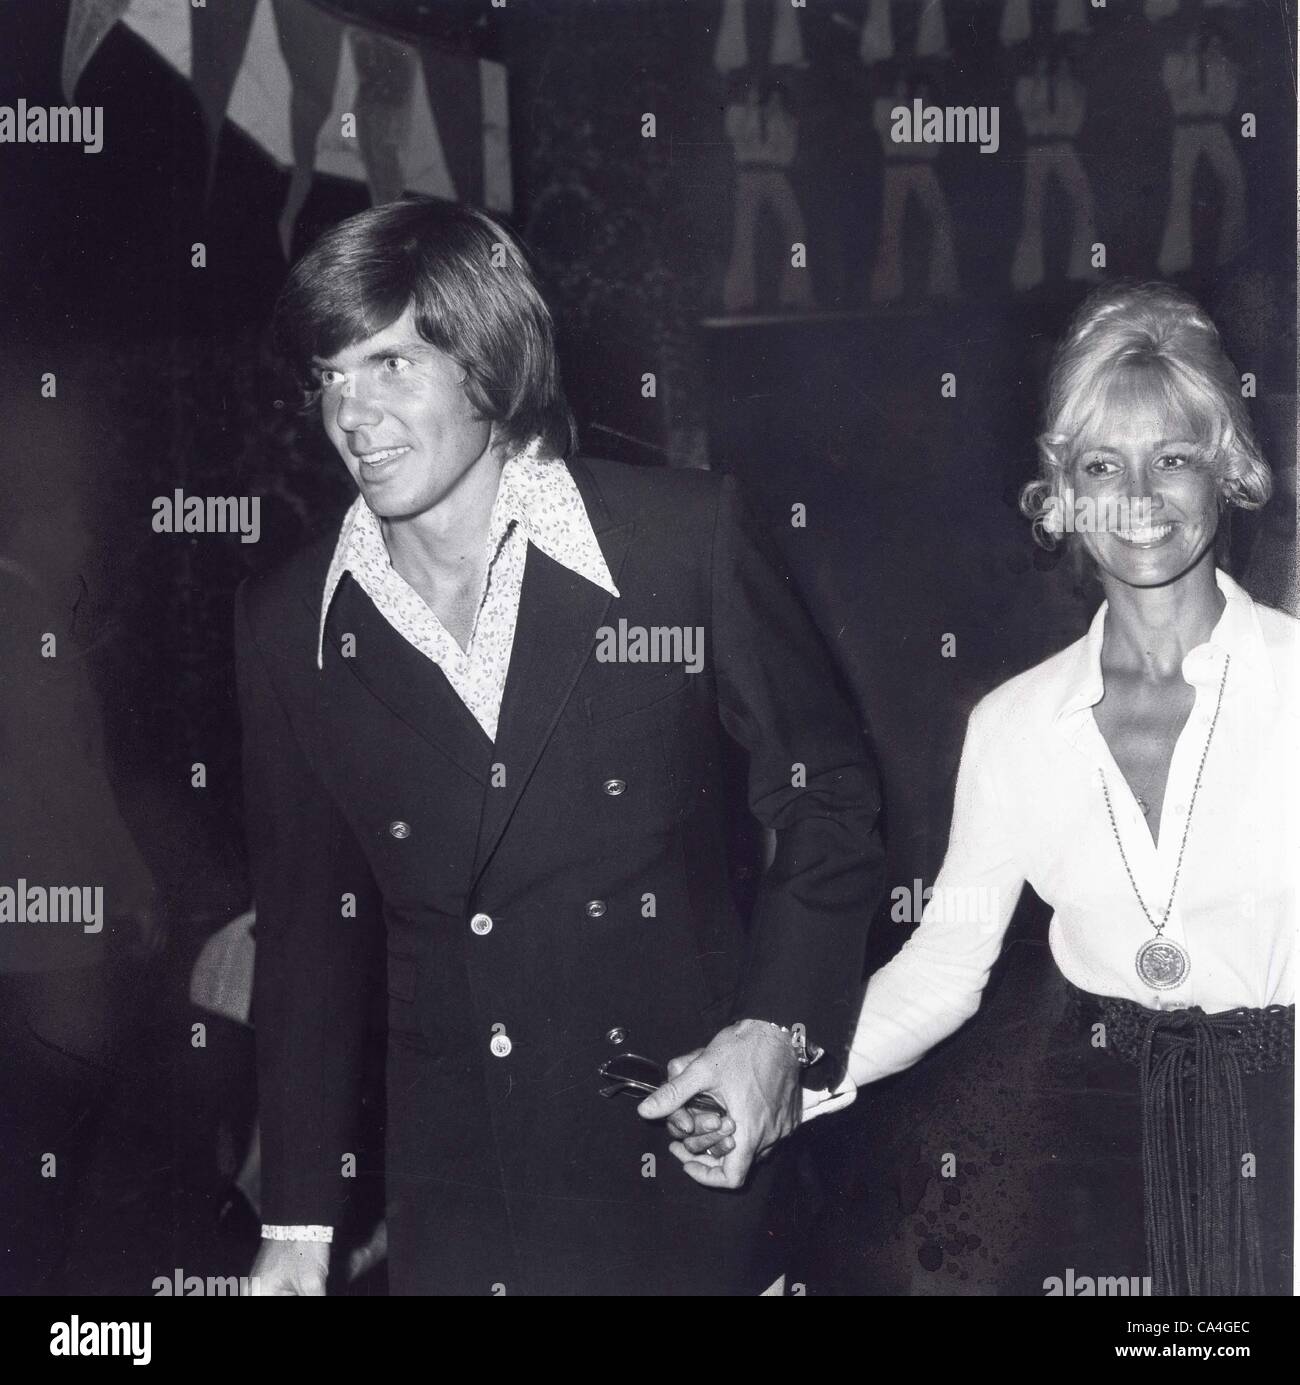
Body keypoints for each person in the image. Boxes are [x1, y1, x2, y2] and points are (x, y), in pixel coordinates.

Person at [237, 196, 884, 1295]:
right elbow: (308, 932)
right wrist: (299, 1220)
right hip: (459, 1212)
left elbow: (826, 795)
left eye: (391, 364)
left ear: (486, 364)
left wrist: (778, 1027)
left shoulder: (678, 539)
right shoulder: (287, 618)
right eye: (330, 373)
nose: (351, 411)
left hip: (686, 1164)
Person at [681, 282, 1295, 1295]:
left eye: (1172, 457)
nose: (1137, 495)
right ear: (1061, 495)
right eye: (1101, 463)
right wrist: (785, 1078)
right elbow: (943, 967)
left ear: (1225, 469)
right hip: (1103, 1163)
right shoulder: (1013, 726)